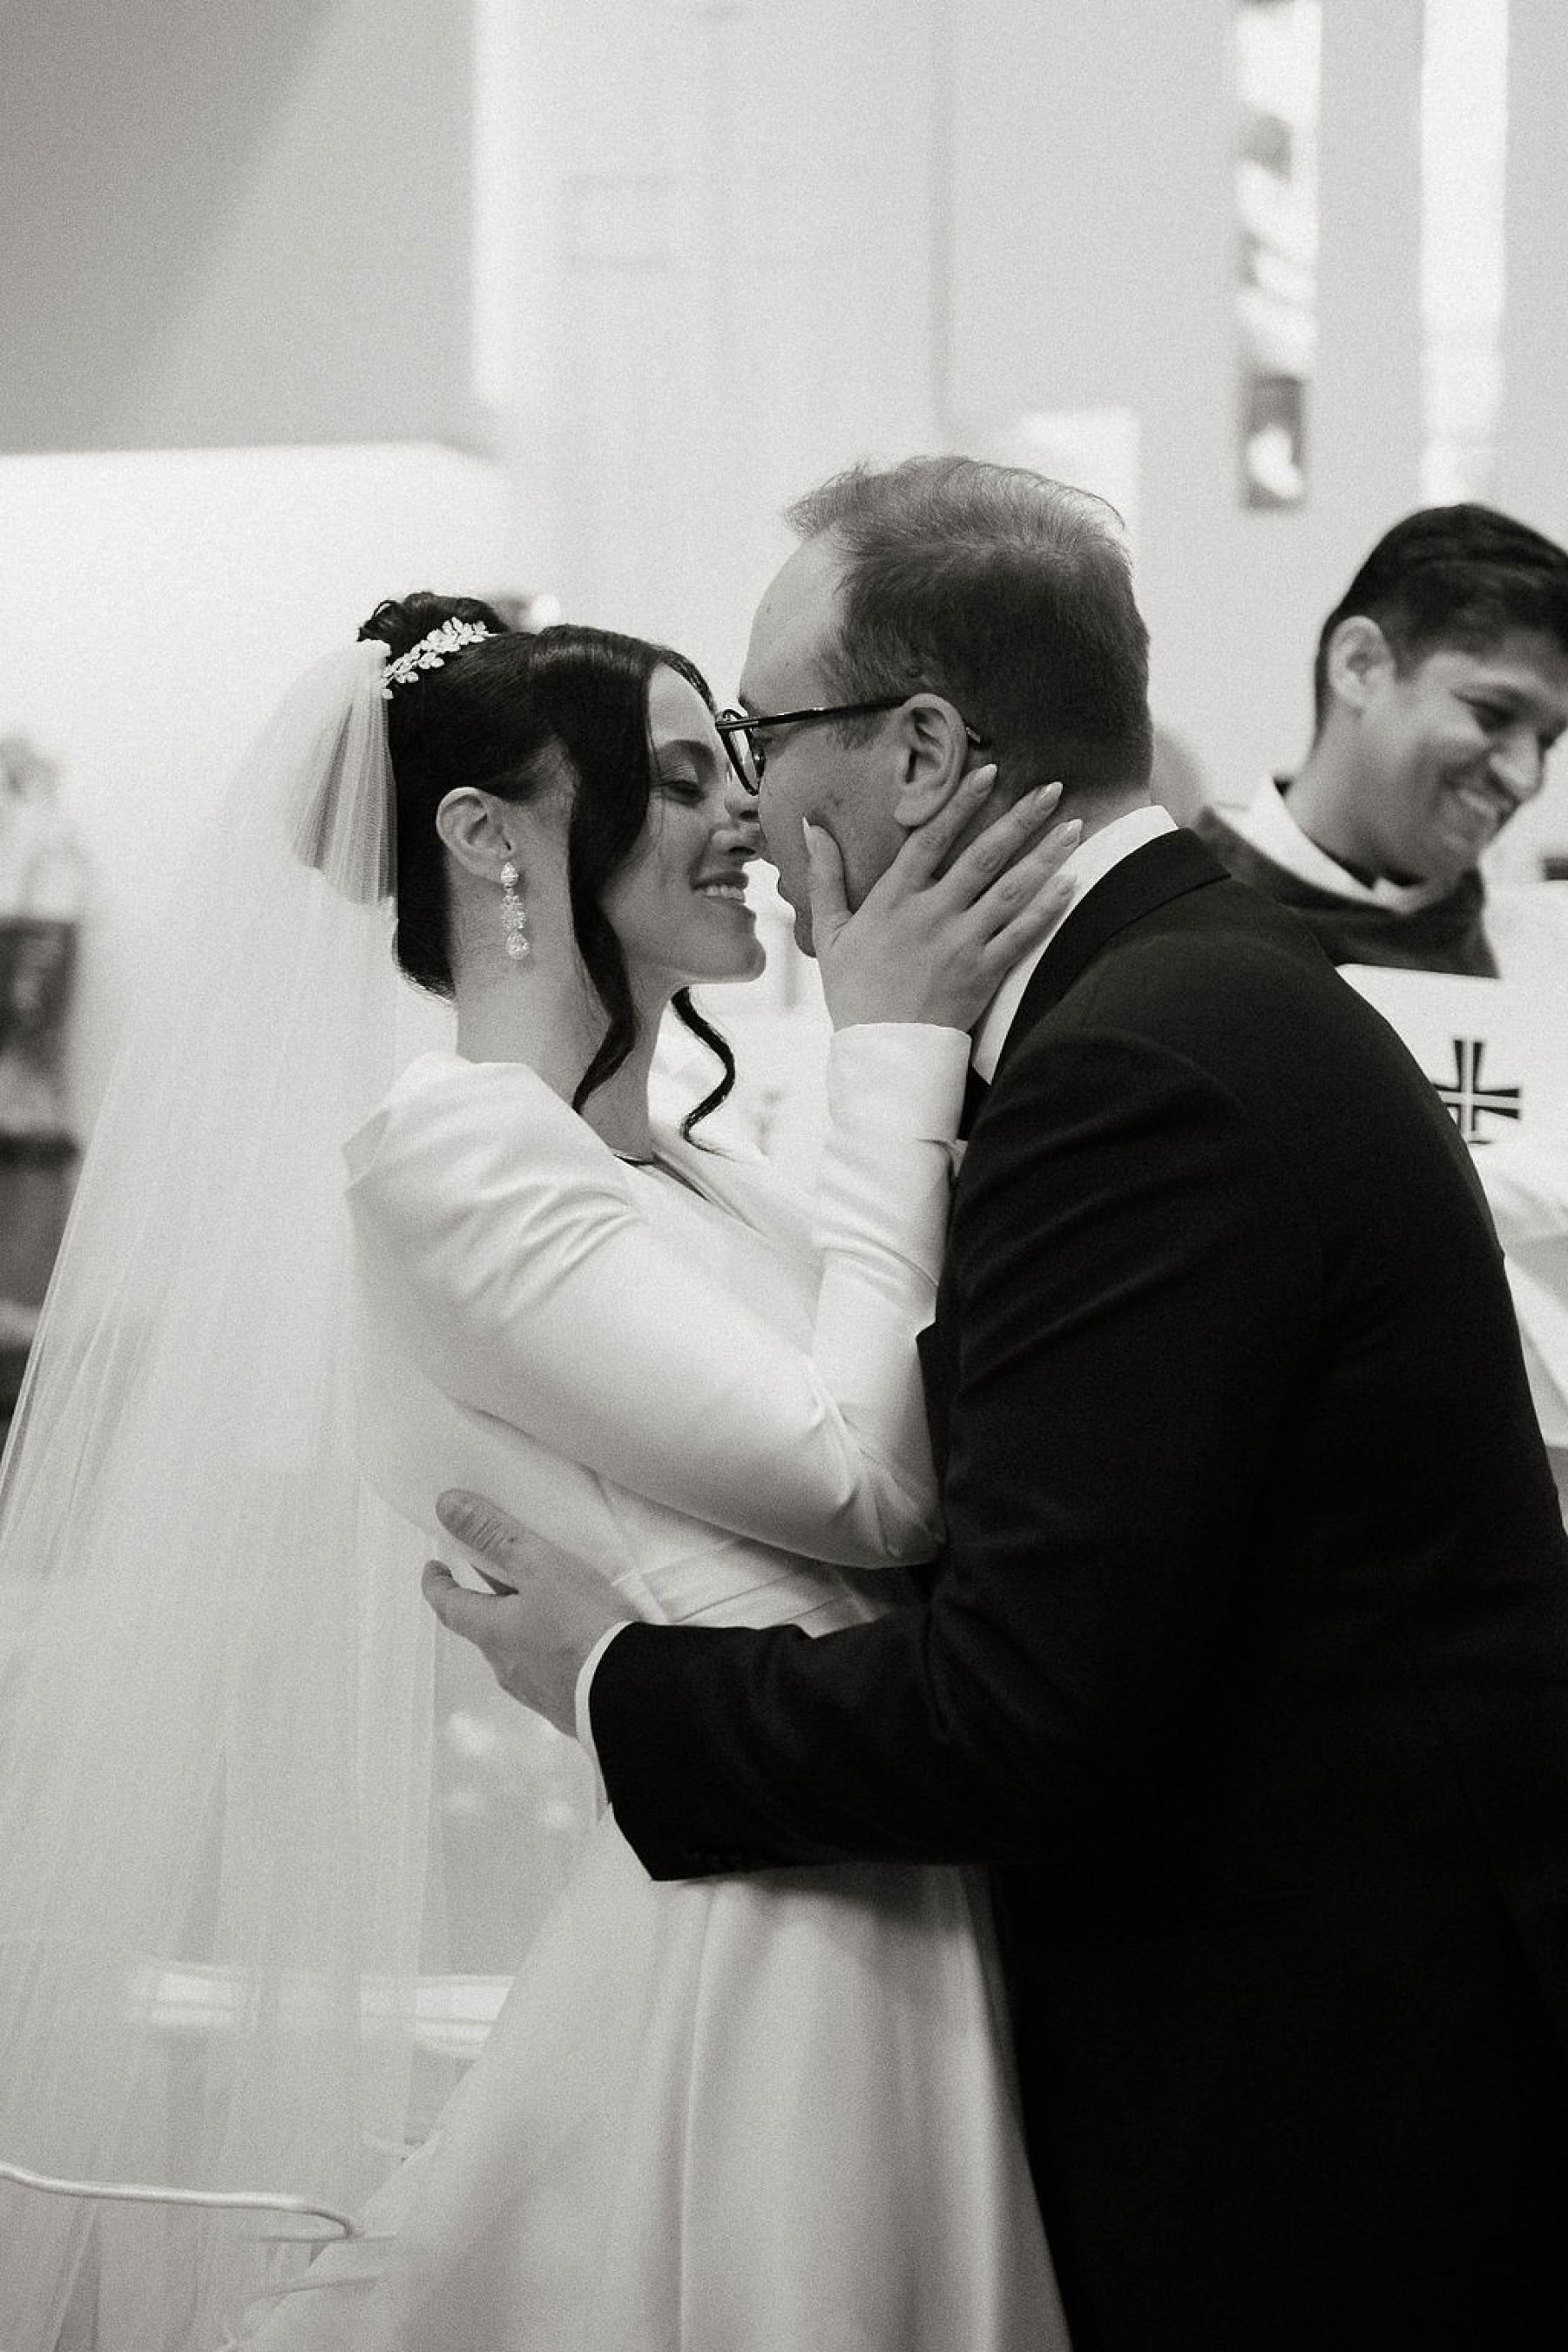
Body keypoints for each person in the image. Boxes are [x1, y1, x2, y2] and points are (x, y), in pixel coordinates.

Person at [428, 456, 1568, 2352]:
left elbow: (1027, 1710)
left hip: (1327, 2107)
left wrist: (614, 1681)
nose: (752, 809)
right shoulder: (1182, 997)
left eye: (761, 734)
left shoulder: (1144, 1066)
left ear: (923, 749)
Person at [0, 594, 1079, 2350]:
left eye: (728, 763)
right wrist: (893, 1043)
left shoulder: (711, 1181)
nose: (741, 813)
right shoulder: (453, 1158)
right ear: (487, 835)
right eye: (669, 778)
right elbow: (864, 1488)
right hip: (774, 1936)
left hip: (865, 1867)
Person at [1193, 505, 1568, 1504]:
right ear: (1360, 667)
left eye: (1550, 739)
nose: (1527, 776)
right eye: (1494, 715)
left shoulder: (1551, 956)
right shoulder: (1171, 938)